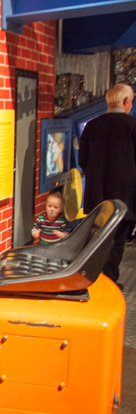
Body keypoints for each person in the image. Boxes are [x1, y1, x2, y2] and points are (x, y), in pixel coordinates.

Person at [78, 83, 136, 285]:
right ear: (127, 101)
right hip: (126, 199)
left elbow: (82, 160)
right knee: (117, 243)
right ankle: (109, 284)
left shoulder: (92, 126)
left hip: (97, 198)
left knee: (98, 240)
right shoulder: (133, 125)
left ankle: (94, 280)